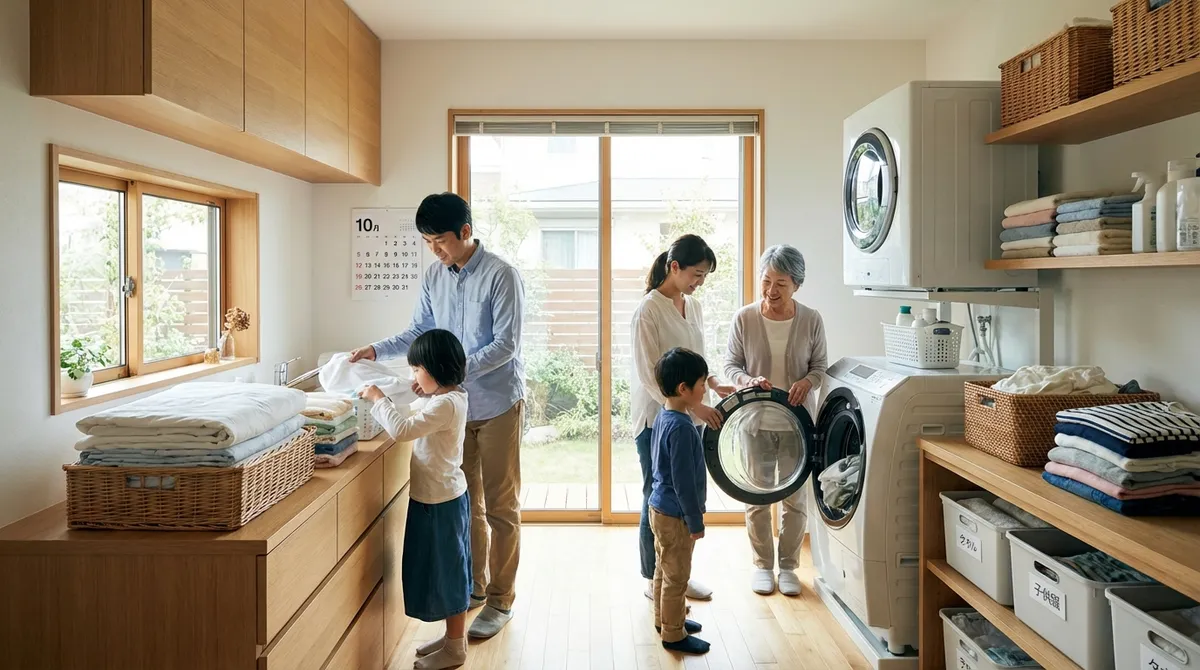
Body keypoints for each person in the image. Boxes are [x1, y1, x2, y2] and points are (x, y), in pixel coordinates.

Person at [350, 192, 524, 639]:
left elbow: (506, 345)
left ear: (465, 232)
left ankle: (502, 600)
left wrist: (449, 372)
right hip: (451, 406)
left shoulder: (501, 275)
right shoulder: (434, 276)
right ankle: (474, 588)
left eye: (440, 240)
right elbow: (418, 331)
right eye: (428, 242)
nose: (435, 250)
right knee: (466, 503)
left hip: (496, 403)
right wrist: (377, 348)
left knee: (502, 506)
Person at [630, 234, 734, 603]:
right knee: (657, 497)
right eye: (696, 273)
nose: (699, 281)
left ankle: (677, 572)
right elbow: (648, 373)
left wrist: (715, 384)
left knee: (684, 496)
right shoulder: (649, 309)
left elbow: (698, 360)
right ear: (674, 267)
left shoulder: (695, 306)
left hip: (688, 419)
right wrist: (690, 406)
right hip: (657, 420)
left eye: (704, 276)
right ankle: (654, 576)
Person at [360, 329, 471, 670]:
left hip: (441, 502)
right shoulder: (448, 399)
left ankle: (455, 648)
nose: (413, 376)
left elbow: (404, 430)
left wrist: (379, 398)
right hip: (439, 497)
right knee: (442, 569)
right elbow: (417, 415)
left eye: (416, 369)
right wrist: (418, 394)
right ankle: (453, 638)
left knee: (448, 573)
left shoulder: (447, 404)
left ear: (434, 368)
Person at [724, 244, 827, 597]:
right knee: (757, 497)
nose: (771, 291)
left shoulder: (811, 319)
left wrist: (806, 382)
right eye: (766, 281)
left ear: (796, 284)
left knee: (796, 501)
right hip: (755, 422)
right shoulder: (745, 317)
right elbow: (730, 366)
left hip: (798, 426)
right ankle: (762, 566)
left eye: (780, 283)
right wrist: (746, 381)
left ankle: (788, 567)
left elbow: (820, 367)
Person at [649, 347, 713, 655]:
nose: (705, 388)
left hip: (658, 507)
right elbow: (685, 483)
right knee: (677, 576)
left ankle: (664, 620)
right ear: (683, 389)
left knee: (663, 568)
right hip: (676, 515)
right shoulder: (684, 428)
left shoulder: (663, 416)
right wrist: (695, 521)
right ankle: (673, 635)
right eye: (702, 383)